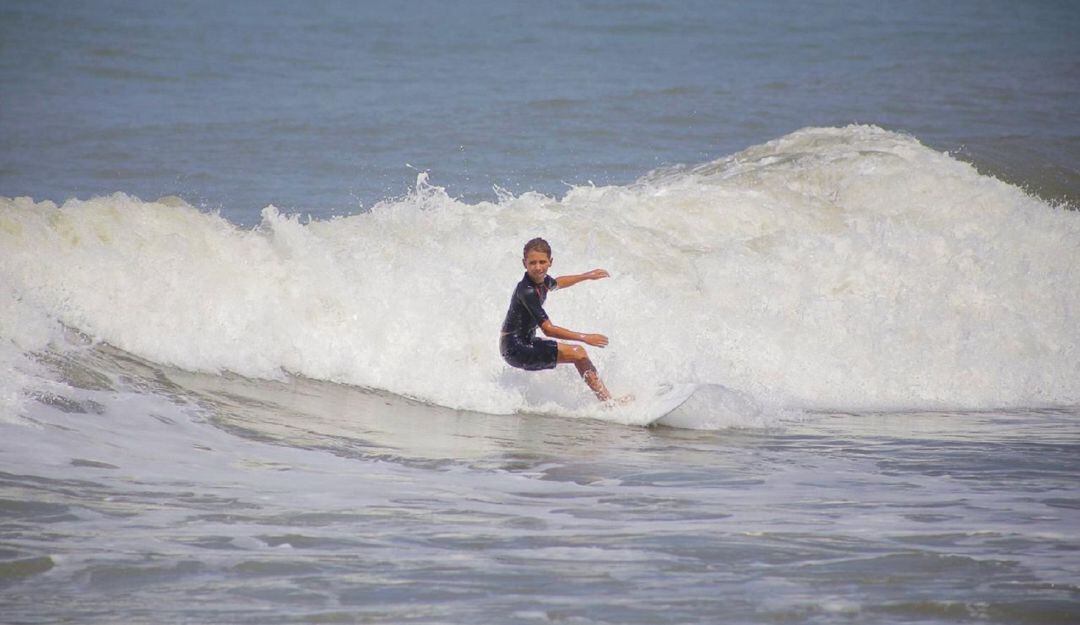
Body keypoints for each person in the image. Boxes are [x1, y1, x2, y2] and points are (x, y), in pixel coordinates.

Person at [500, 237, 616, 402]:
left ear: (550, 262)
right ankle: (609, 404)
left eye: (542, 262)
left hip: (525, 341)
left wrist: (586, 276)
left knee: (576, 353)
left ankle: (606, 401)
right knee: (578, 353)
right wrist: (586, 337)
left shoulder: (542, 280)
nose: (538, 267)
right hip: (515, 349)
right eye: (532, 263)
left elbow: (557, 282)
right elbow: (548, 329)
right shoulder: (527, 291)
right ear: (524, 263)